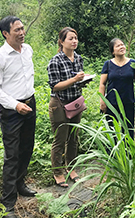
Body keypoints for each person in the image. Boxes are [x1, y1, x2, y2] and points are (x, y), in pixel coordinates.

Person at [0, 16, 36, 216]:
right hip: (11, 111)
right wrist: (15, 105)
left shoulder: (28, 50)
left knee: (27, 148)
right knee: (12, 155)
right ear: (5, 33)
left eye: (22, 28)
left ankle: (20, 185)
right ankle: (8, 202)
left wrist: (26, 102)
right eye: (17, 30)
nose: (22, 32)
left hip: (30, 104)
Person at [47, 27, 89, 188]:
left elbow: (77, 82)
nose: (74, 41)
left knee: (74, 138)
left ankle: (71, 167)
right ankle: (58, 172)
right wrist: (74, 79)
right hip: (59, 104)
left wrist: (83, 81)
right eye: (70, 39)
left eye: (76, 38)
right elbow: (55, 86)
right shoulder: (55, 61)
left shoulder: (78, 58)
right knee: (60, 139)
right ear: (62, 41)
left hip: (75, 102)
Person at [99, 38, 135, 139]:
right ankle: (112, 154)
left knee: (128, 130)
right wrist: (102, 101)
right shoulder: (108, 64)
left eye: (122, 45)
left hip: (128, 102)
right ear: (113, 51)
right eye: (118, 46)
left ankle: (128, 154)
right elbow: (102, 84)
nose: (122, 47)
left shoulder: (133, 63)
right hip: (111, 103)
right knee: (111, 131)